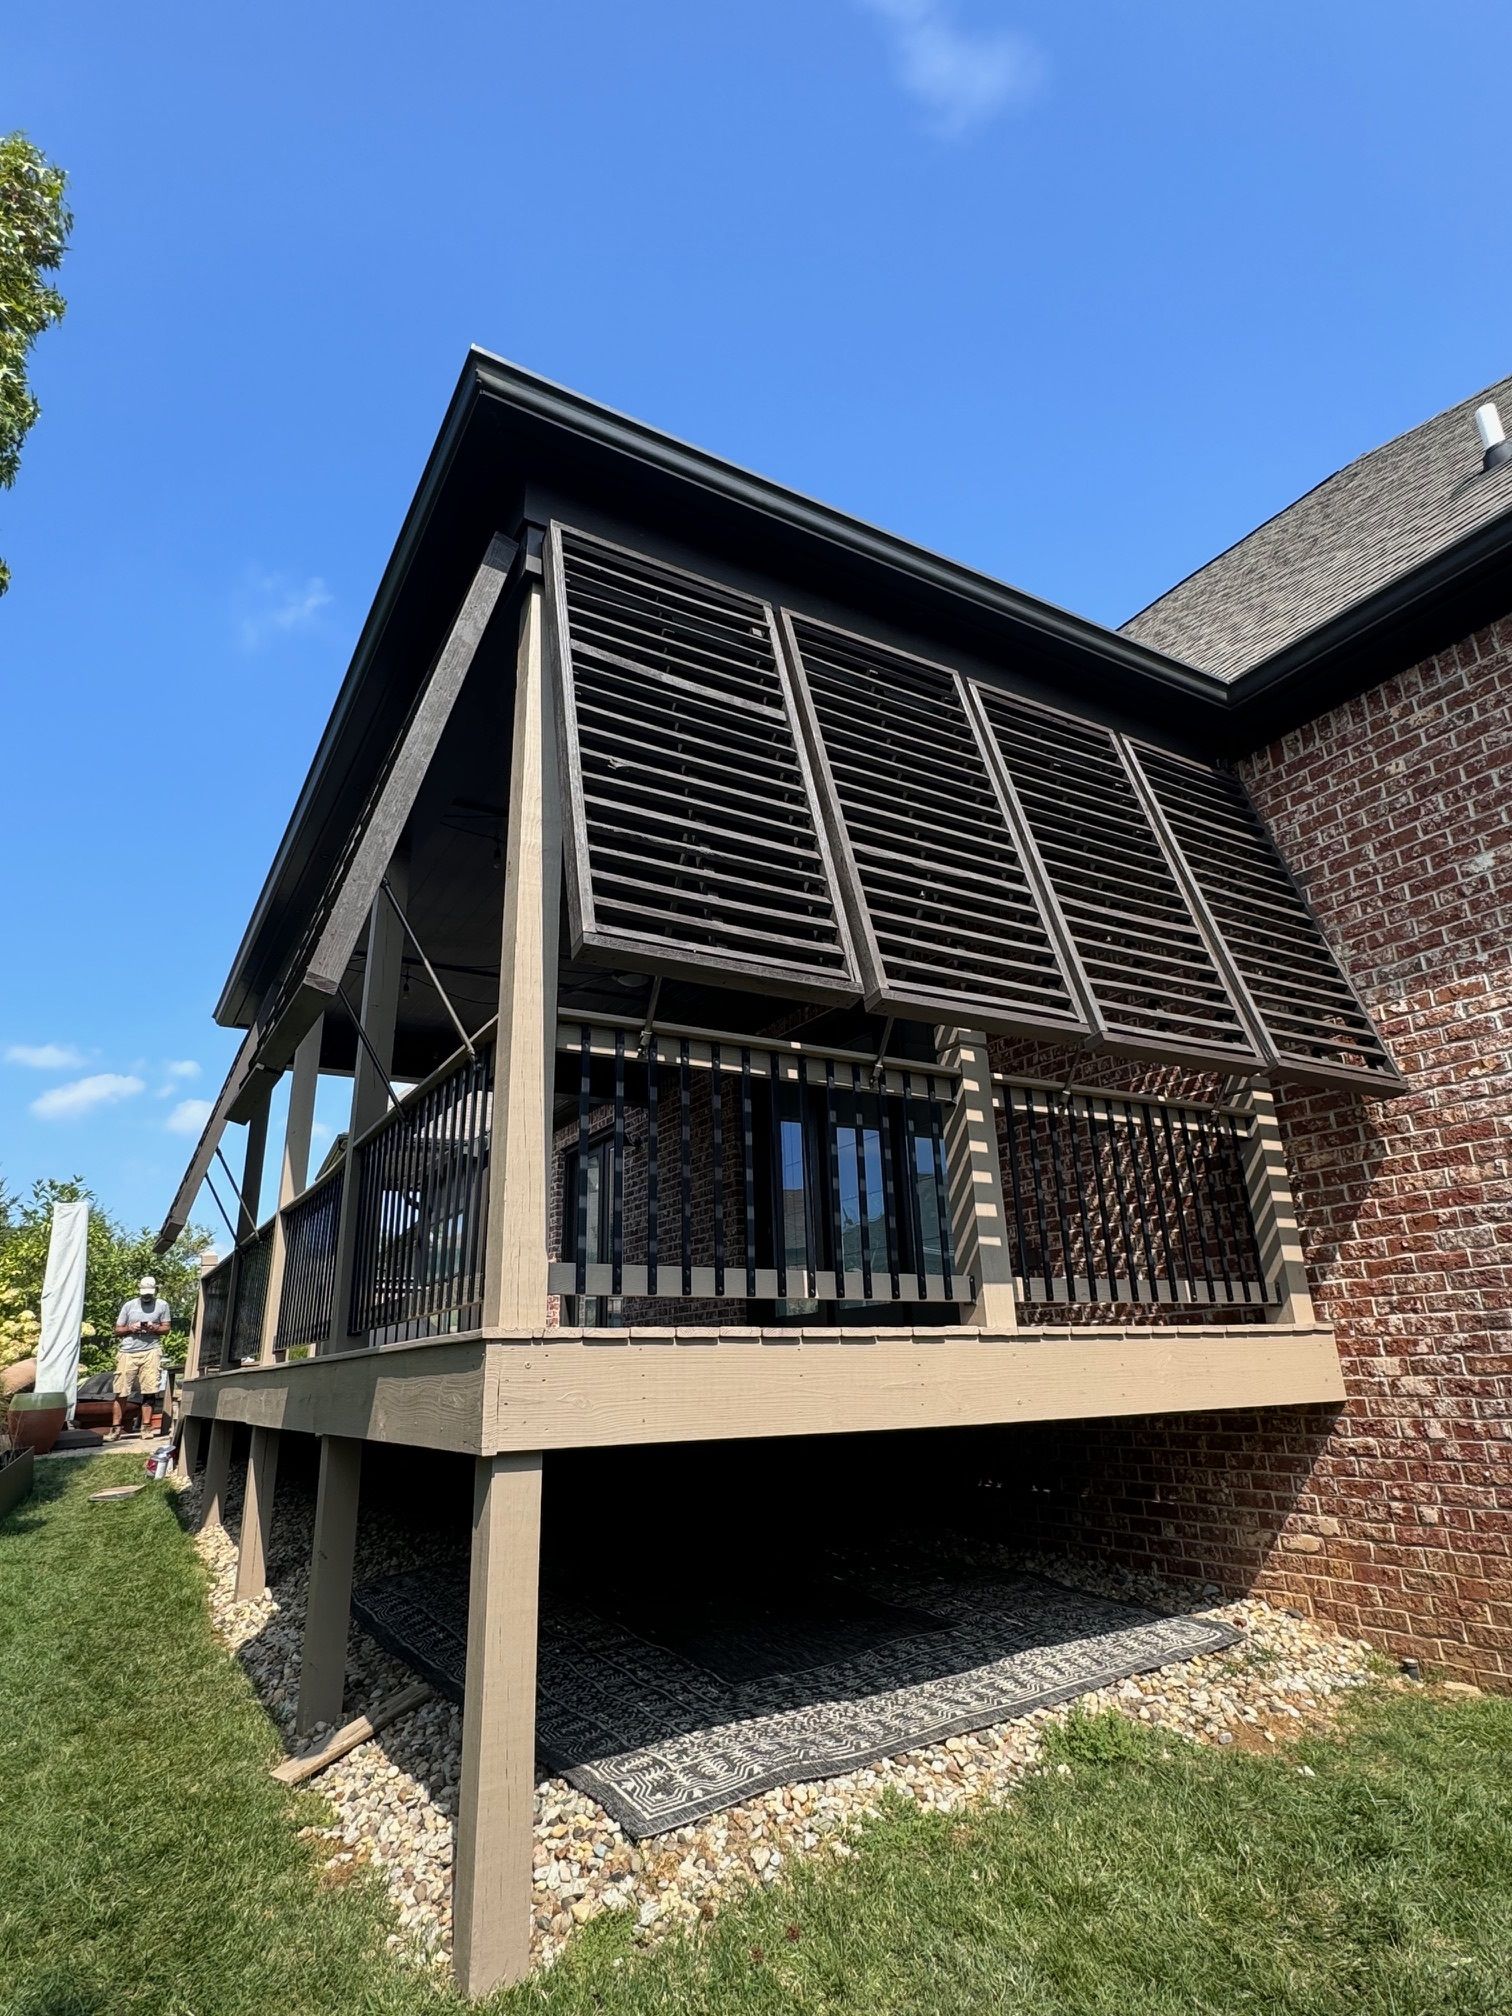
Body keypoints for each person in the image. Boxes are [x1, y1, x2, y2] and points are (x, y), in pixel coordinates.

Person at [112, 1275, 171, 1439]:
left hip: (151, 1349)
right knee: (121, 1390)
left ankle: (146, 1427)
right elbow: (117, 1330)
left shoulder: (162, 1305)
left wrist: (154, 1327)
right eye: (144, 1292)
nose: (146, 1296)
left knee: (150, 1389)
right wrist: (131, 1328)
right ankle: (116, 1428)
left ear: (155, 1291)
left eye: (149, 1293)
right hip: (128, 1351)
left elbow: (166, 1328)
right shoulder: (129, 1305)